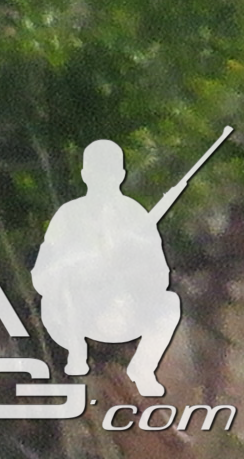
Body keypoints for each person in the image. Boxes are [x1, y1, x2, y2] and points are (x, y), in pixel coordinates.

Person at [38, 140, 188, 396]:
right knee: (68, 288)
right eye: (97, 173)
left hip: (124, 311)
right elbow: (43, 276)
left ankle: (142, 368)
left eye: (109, 173)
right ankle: (77, 355)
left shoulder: (135, 214)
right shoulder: (68, 215)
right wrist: (83, 267)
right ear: (85, 175)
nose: (103, 180)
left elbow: (160, 276)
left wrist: (133, 263)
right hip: (76, 316)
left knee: (169, 303)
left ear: (120, 175)